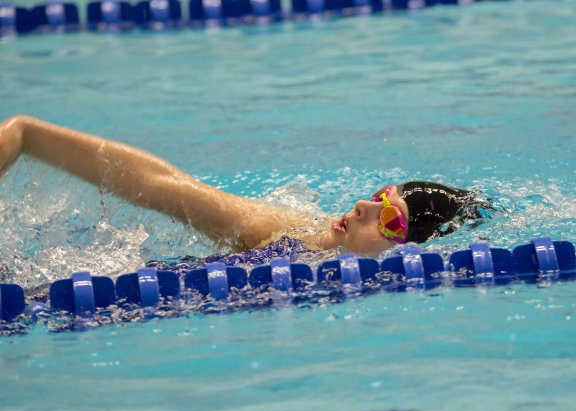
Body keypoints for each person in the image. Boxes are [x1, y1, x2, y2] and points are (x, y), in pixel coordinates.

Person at [0, 115, 492, 268]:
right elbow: (167, 189)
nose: (363, 205)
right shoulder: (290, 232)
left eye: (387, 218)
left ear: (411, 255)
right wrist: (26, 137)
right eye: (379, 196)